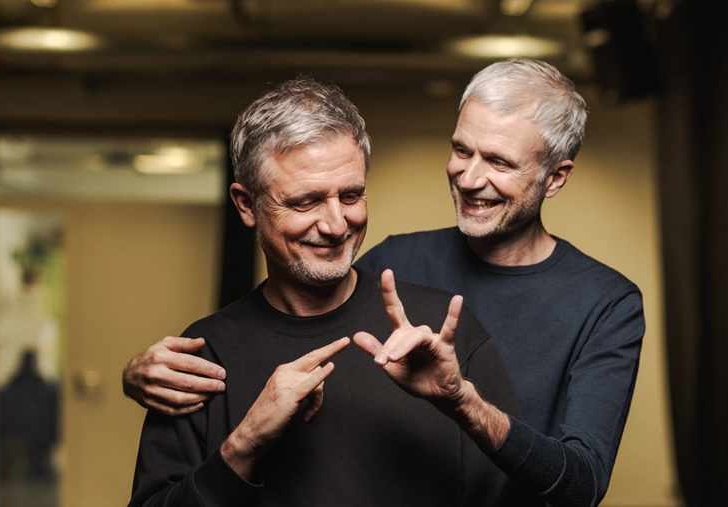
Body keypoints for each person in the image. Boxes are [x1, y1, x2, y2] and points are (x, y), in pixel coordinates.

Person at [124, 59, 645, 507]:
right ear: (245, 204)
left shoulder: (602, 302)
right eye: (462, 150)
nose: (468, 177)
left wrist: (462, 400)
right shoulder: (396, 262)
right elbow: (307, 299)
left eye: (500, 161)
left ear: (555, 177)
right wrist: (138, 373)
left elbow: (580, 484)